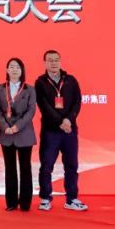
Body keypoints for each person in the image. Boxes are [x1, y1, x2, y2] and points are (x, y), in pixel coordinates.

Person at [34, 50, 87, 212]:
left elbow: (77, 102)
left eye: (56, 60)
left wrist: (68, 120)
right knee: (46, 165)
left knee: (71, 165)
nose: (54, 63)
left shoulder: (71, 80)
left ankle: (71, 199)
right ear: (45, 63)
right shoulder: (40, 82)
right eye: (50, 60)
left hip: (70, 130)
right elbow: (44, 106)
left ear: (60, 61)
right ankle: (45, 198)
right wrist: (60, 122)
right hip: (50, 131)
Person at [0, 57, 37, 212]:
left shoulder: (29, 89)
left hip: (24, 132)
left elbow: (31, 111)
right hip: (6, 134)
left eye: (17, 67)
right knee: (9, 168)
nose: (14, 70)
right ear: (7, 70)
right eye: (11, 67)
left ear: (22, 71)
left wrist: (17, 126)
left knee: (25, 167)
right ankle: (11, 202)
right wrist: (5, 126)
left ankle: (25, 203)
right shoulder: (0, 88)